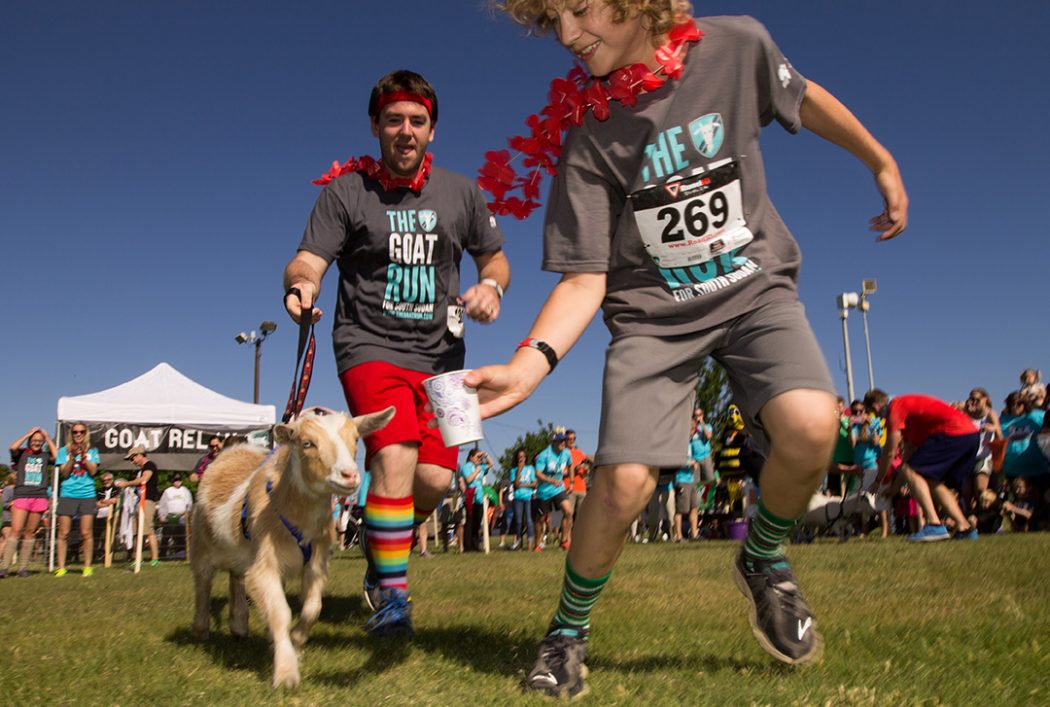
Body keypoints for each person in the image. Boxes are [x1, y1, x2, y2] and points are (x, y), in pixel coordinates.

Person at [471, 0, 908, 696]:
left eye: (580, 10)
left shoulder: (737, 46)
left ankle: (762, 556)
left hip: (753, 288)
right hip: (654, 316)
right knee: (623, 483)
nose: (565, 34)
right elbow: (586, 277)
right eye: (550, 19)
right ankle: (567, 632)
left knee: (813, 424)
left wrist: (879, 160)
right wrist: (529, 366)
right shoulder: (588, 131)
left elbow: (805, 96)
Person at [282, 69, 509, 635]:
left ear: (433, 130)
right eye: (394, 120)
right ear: (375, 126)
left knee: (434, 481)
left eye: (417, 121)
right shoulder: (347, 192)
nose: (405, 131)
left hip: (444, 357)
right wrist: (301, 288)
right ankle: (392, 598)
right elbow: (308, 259)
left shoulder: (461, 192)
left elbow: (495, 257)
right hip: (370, 345)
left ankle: (382, 556)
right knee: (395, 457)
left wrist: (492, 287)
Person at [872, 394, 979, 542]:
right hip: (970, 435)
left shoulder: (895, 407)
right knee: (930, 479)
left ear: (876, 406)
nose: (878, 417)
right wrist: (895, 489)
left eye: (876, 413)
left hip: (953, 432)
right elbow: (908, 459)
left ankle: (933, 524)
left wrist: (878, 481)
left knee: (916, 472)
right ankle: (964, 527)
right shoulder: (910, 419)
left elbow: (890, 451)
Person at [1, 427, 57, 578]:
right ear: (29, 441)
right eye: (34, 441)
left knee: (30, 532)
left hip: (39, 497)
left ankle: (23, 568)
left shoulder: (45, 456)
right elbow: (12, 447)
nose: (37, 443)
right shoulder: (21, 454)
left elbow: (57, 456)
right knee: (16, 530)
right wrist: (27, 434)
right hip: (22, 495)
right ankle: (4, 567)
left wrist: (47, 436)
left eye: (40, 441)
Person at [54, 423, 101, 576]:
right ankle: (61, 567)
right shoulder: (63, 451)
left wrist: (84, 457)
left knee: (86, 532)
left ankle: (87, 566)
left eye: (81, 431)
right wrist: (72, 457)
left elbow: (93, 471)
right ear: (71, 434)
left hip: (87, 494)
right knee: (64, 532)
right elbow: (64, 473)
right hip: (68, 493)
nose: (78, 434)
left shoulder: (92, 450)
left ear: (86, 433)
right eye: (75, 432)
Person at [115, 446, 161, 567]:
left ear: (140, 455)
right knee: (137, 531)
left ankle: (155, 558)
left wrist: (127, 483)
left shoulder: (149, 465)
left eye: (132, 458)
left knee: (148, 530)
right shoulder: (140, 470)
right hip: (139, 501)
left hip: (147, 501)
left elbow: (144, 480)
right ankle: (137, 557)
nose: (132, 461)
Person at [533, 432, 575, 551]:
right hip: (544, 491)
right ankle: (537, 544)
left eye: (564, 440)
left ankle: (564, 540)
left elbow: (571, 465)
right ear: (554, 442)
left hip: (558, 489)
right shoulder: (544, 455)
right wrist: (550, 480)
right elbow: (538, 473)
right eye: (560, 441)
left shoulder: (566, 453)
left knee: (568, 512)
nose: (563, 443)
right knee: (540, 519)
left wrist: (571, 482)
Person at [508, 447, 537, 550]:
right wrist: (519, 471)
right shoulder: (513, 470)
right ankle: (519, 543)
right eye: (519, 457)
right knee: (519, 521)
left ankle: (529, 545)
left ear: (526, 458)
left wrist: (523, 486)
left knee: (529, 520)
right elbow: (515, 485)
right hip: (518, 497)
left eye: (523, 457)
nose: (521, 459)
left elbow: (534, 484)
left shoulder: (530, 469)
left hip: (528, 497)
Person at [565, 430, 589, 516]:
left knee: (582, 516)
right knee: (568, 516)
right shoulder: (563, 453)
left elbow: (585, 474)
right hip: (569, 488)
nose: (572, 441)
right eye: (569, 439)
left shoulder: (580, 453)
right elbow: (561, 473)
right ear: (565, 440)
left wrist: (586, 470)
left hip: (582, 489)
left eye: (574, 438)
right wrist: (574, 470)